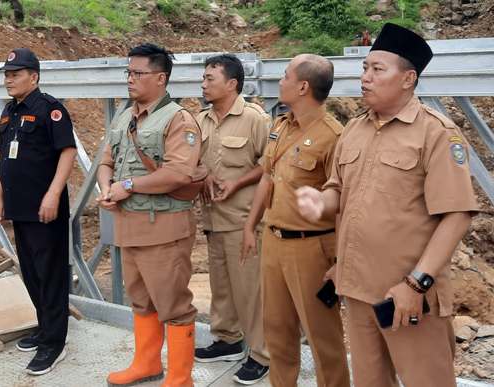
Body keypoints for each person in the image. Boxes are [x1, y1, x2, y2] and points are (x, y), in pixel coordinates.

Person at [296, 23, 479, 387]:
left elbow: (457, 215)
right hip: (357, 292)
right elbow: (338, 190)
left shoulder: (436, 133)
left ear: (408, 79)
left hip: (408, 297)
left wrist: (416, 284)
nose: (365, 77)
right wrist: (321, 202)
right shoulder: (355, 129)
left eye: (377, 69)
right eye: (365, 68)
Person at [98, 43, 204, 387]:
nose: (130, 79)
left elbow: (178, 174)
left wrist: (127, 185)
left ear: (160, 78)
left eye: (137, 73)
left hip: (164, 230)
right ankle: (146, 363)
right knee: (141, 300)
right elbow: (106, 161)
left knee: (173, 304)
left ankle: (180, 378)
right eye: (128, 72)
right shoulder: (124, 117)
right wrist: (107, 188)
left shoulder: (178, 119)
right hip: (130, 227)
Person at [242, 54, 350, 387]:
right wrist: (250, 226)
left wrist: (341, 262)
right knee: (277, 331)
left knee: (323, 339)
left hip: (311, 249)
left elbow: (343, 204)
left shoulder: (334, 136)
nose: (280, 80)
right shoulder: (280, 125)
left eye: (286, 75)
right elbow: (268, 177)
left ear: (303, 87)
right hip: (274, 241)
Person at [0, 48, 77, 375]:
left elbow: (67, 152)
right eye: (6, 74)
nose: (8, 79)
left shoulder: (50, 109)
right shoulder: (9, 111)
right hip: (20, 206)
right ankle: (45, 327)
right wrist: (0, 195)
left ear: (34, 77)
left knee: (50, 273)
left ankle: (54, 343)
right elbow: (5, 156)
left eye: (15, 74)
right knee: (31, 271)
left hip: (45, 208)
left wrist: (53, 194)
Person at [194, 54, 272, 384]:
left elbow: (270, 165)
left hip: (244, 221)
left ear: (231, 84)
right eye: (203, 77)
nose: (203, 84)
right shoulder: (201, 120)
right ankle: (227, 339)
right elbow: (193, 159)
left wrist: (237, 183)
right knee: (222, 287)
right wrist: (203, 174)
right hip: (213, 219)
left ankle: (262, 354)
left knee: (251, 291)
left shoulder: (255, 119)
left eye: (210, 78)